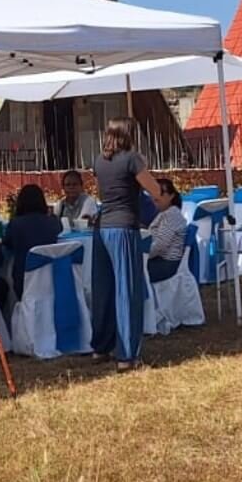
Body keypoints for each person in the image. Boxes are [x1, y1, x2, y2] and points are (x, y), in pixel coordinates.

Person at [91, 117, 162, 371]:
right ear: (129, 134)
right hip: (123, 227)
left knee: (103, 289)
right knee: (127, 289)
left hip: (102, 228)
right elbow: (155, 191)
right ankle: (127, 354)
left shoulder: (99, 161)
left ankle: (101, 346)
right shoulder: (132, 159)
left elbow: (103, 193)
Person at [4, 184, 63, 299]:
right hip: (52, 279)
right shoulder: (54, 222)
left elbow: (7, 243)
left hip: (24, 282)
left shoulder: (15, 224)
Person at [146, 179, 188, 283]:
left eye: (160, 192)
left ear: (171, 196)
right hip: (161, 261)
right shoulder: (165, 213)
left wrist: (141, 255)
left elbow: (160, 245)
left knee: (129, 270)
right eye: (153, 192)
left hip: (166, 264)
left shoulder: (171, 215)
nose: (155, 196)